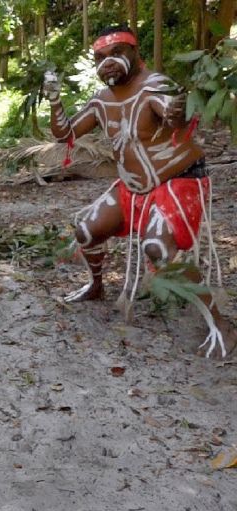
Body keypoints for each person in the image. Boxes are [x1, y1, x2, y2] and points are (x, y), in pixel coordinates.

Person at [43, 24, 236, 358]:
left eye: (116, 53)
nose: (108, 63)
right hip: (133, 189)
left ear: (135, 51)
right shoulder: (102, 100)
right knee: (86, 230)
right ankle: (96, 285)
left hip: (178, 183)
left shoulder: (155, 86)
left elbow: (172, 116)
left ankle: (220, 322)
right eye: (100, 58)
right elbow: (66, 134)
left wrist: (177, 109)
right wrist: (55, 99)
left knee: (157, 247)